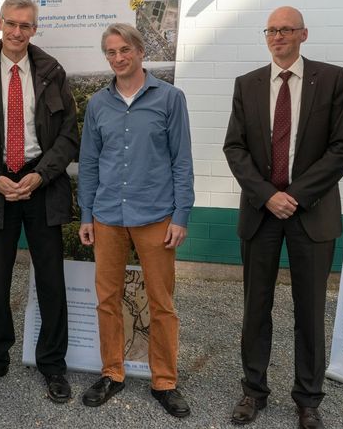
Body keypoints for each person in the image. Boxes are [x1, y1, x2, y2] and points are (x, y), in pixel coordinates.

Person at [223, 7, 343, 429]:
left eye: (285, 30)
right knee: (255, 307)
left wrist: (293, 196)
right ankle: (253, 391)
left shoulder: (331, 78)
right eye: (271, 30)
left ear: (303, 34)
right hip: (261, 214)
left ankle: (308, 399)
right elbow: (235, 148)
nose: (278, 36)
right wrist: (268, 196)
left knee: (310, 309)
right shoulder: (247, 85)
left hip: (310, 213)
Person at [0, 0, 79, 403]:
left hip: (42, 185)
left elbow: (68, 136)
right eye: (11, 23)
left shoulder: (52, 71)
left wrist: (40, 176)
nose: (17, 32)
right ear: (0, 24)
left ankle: (53, 364)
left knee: (51, 280)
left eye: (25, 25)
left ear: (34, 29)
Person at [77, 23, 194, 418]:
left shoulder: (170, 99)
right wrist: (86, 214)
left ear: (141, 51)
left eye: (124, 49)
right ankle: (112, 372)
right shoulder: (98, 105)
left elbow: (182, 162)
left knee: (161, 302)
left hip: (155, 216)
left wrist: (181, 216)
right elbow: (90, 163)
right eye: (110, 52)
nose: (118, 58)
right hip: (107, 215)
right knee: (107, 300)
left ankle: (165, 381)